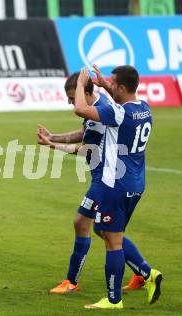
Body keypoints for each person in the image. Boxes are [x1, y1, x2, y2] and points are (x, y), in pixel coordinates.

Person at [38, 70, 145, 293]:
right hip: (106, 177)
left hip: (105, 180)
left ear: (87, 92)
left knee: (85, 225)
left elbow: (88, 149)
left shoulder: (104, 108)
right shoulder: (99, 108)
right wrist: (54, 136)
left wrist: (53, 146)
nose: (71, 103)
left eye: (72, 97)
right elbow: (84, 132)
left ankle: (72, 282)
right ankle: (143, 273)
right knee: (103, 231)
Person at [73, 66, 162, 309]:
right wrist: (104, 84)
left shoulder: (118, 113)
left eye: (113, 82)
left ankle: (114, 300)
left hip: (115, 184)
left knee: (112, 241)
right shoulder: (144, 108)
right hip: (136, 184)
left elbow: (80, 109)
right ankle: (147, 273)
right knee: (108, 232)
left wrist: (82, 84)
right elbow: (121, 104)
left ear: (121, 87)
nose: (108, 84)